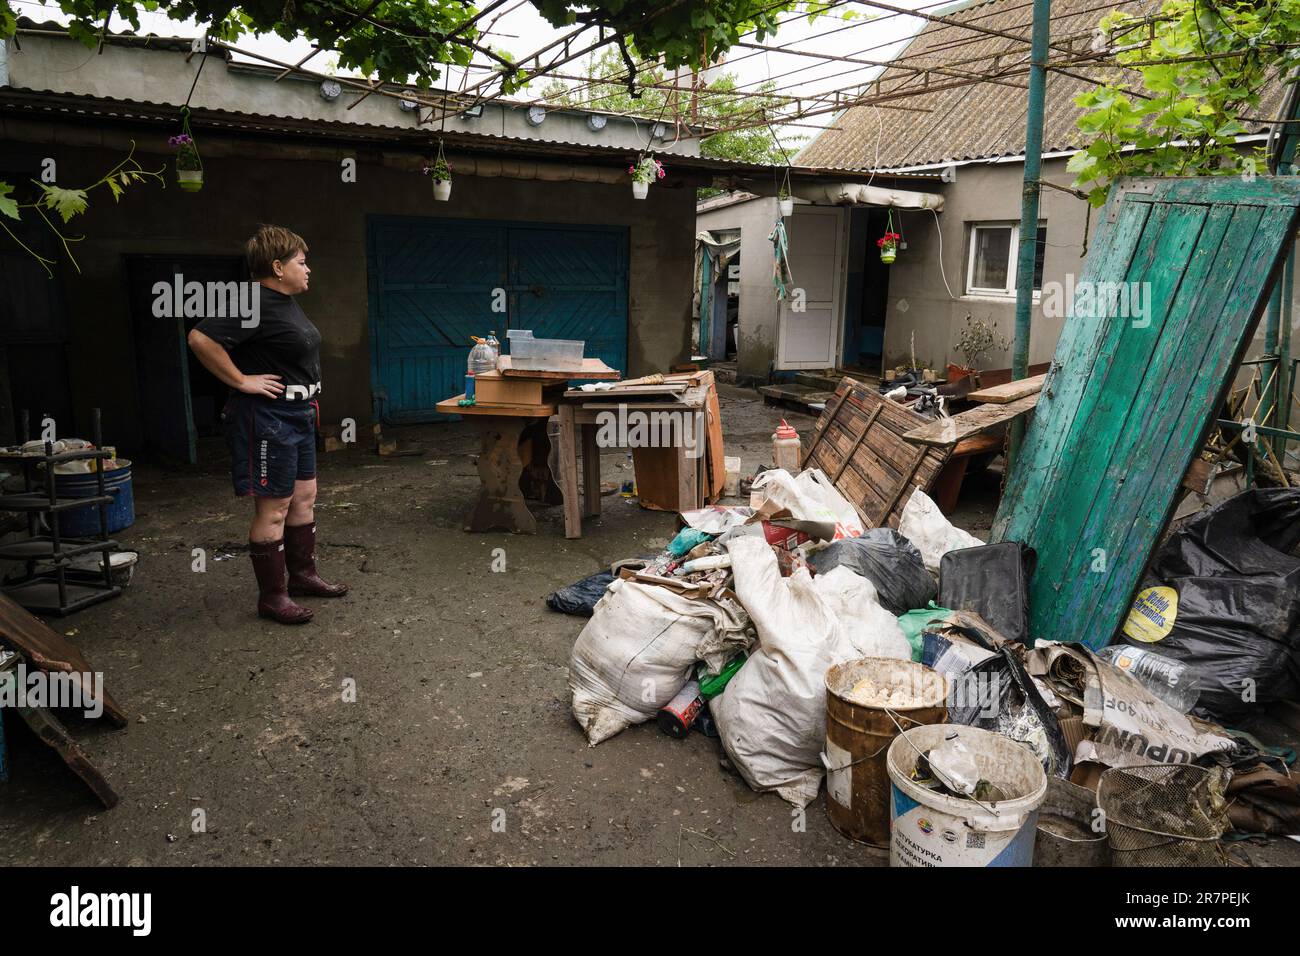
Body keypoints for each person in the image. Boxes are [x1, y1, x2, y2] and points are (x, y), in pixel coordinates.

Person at [187, 224, 348, 624]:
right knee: (274, 508)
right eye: (301, 262)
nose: (308, 269)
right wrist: (242, 381)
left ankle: (303, 576)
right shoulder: (250, 302)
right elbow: (200, 339)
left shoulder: (286, 302)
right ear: (277, 266)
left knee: (305, 497)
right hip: (267, 418)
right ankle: (273, 598)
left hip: (298, 413)